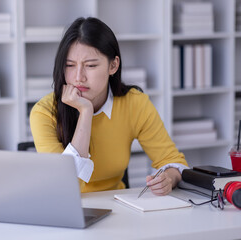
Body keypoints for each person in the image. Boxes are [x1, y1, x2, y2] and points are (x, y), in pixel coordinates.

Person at [30, 17, 188, 195]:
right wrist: (85, 111)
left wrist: (168, 178)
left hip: (117, 207)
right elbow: (64, 185)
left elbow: (173, 161)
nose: (78, 77)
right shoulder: (43, 112)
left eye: (90, 65)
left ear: (113, 65)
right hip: (67, 206)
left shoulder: (134, 103)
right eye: (69, 65)